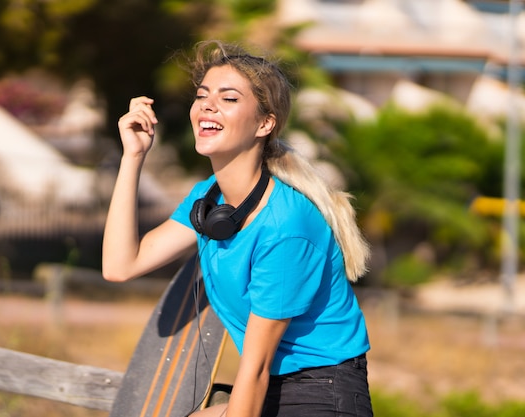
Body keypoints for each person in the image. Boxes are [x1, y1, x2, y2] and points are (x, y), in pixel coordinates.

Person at [102, 40, 373, 417]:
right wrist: (132, 157)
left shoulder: (285, 225)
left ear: (265, 123)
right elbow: (120, 266)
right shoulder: (208, 201)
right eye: (202, 96)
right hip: (274, 383)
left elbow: (257, 368)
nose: (208, 105)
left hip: (321, 393)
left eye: (228, 99)